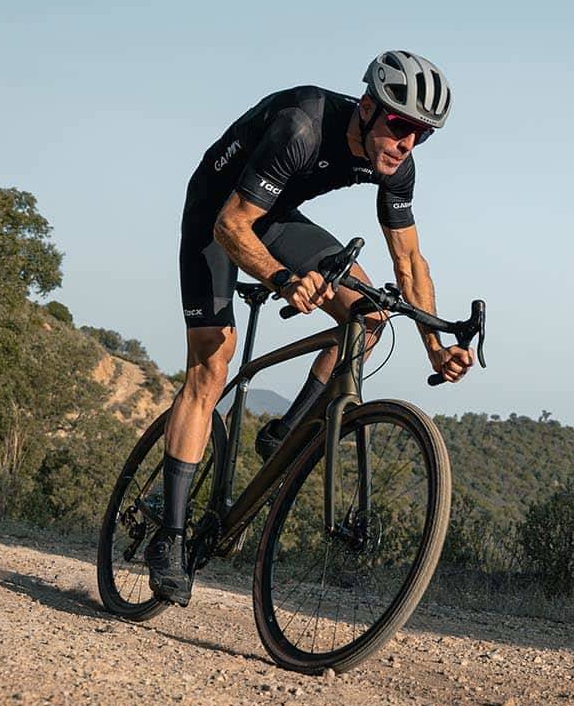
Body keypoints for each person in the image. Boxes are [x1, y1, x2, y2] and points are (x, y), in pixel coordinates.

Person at [146, 50, 475, 605]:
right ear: (368, 108)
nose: (407, 143)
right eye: (399, 125)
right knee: (212, 362)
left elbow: (410, 263)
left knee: (369, 313)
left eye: (422, 134)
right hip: (218, 213)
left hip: (274, 217)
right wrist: (282, 279)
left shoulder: (397, 163)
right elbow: (232, 223)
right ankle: (170, 536)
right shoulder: (302, 126)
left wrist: (435, 346)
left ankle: (286, 432)